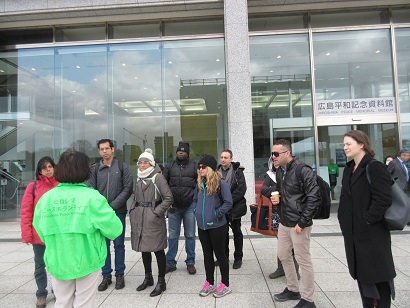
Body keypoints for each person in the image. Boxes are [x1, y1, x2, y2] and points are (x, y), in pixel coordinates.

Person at [33, 151, 123, 308]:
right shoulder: (93, 197)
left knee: (62, 302)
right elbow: (115, 229)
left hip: (58, 259)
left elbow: (39, 228)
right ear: (85, 170)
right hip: (87, 260)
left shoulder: (46, 198)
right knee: (84, 303)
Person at [338, 130, 396, 307]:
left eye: (348, 144)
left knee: (378, 282)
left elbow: (383, 199)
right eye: (344, 144)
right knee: (364, 282)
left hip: (372, 236)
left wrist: (366, 220)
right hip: (355, 236)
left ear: (361, 144)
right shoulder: (349, 168)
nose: (344, 147)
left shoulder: (375, 167)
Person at [271, 139, 320, 308]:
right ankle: (293, 289)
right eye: (272, 153)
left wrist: (304, 221)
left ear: (287, 153)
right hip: (285, 221)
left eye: (276, 154)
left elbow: (314, 197)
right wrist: (277, 202)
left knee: (303, 259)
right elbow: (286, 195)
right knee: (284, 255)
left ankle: (308, 299)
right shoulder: (280, 171)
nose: (273, 157)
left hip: (299, 224)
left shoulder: (302, 170)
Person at [86, 139, 133, 291]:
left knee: (119, 244)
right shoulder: (94, 169)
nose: (104, 151)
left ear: (113, 149)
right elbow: (91, 189)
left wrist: (112, 206)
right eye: (102, 149)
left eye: (107, 148)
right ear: (99, 151)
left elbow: (127, 189)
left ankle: (120, 274)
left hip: (117, 212)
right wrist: (102, 208)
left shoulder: (122, 167)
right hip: (100, 214)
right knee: (103, 245)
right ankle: (106, 276)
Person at [129, 149, 173, 297]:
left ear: (151, 163)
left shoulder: (157, 177)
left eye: (145, 162)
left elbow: (168, 198)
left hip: (153, 218)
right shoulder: (139, 177)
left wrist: (156, 212)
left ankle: (162, 282)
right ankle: (148, 277)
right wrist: (133, 209)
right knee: (144, 249)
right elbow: (135, 197)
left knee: (158, 250)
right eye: (140, 162)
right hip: (140, 217)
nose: (142, 165)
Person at [21, 156, 59, 308]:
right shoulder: (33, 187)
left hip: (57, 235)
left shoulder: (60, 185)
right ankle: (41, 293)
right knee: (40, 265)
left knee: (57, 264)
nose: (48, 170)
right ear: (39, 171)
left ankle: (58, 290)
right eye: (45, 167)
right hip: (39, 235)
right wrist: (27, 234)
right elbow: (26, 211)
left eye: (50, 166)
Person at [193, 155, 233, 298]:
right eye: (199, 167)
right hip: (202, 226)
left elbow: (228, 202)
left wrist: (216, 214)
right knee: (207, 255)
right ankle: (209, 282)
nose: (200, 169)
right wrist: (195, 211)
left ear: (210, 168)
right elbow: (194, 200)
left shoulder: (221, 183)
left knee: (220, 255)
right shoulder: (199, 184)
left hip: (217, 226)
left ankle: (225, 284)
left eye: (203, 167)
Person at [261, 152, 300, 280]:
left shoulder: (292, 173)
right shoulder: (271, 174)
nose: (275, 161)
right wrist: (277, 191)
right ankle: (281, 268)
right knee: (282, 243)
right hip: (278, 213)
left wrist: (280, 191)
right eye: (273, 160)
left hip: (293, 213)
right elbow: (264, 190)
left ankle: (295, 270)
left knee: (294, 243)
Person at [163, 141, 197, 275]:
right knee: (172, 236)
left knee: (190, 236)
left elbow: (199, 184)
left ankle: (190, 262)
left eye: (183, 151)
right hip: (174, 207)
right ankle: (170, 263)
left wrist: (195, 199)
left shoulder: (194, 166)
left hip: (189, 206)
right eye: (179, 151)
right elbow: (163, 183)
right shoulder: (170, 165)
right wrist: (167, 201)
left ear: (187, 153)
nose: (180, 152)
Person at [217, 149, 247, 269]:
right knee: (223, 234)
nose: (223, 159)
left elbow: (241, 190)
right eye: (222, 157)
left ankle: (238, 258)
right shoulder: (216, 172)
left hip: (235, 207)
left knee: (237, 233)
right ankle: (224, 257)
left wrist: (228, 202)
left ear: (231, 159)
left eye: (226, 157)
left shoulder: (238, 172)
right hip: (222, 208)